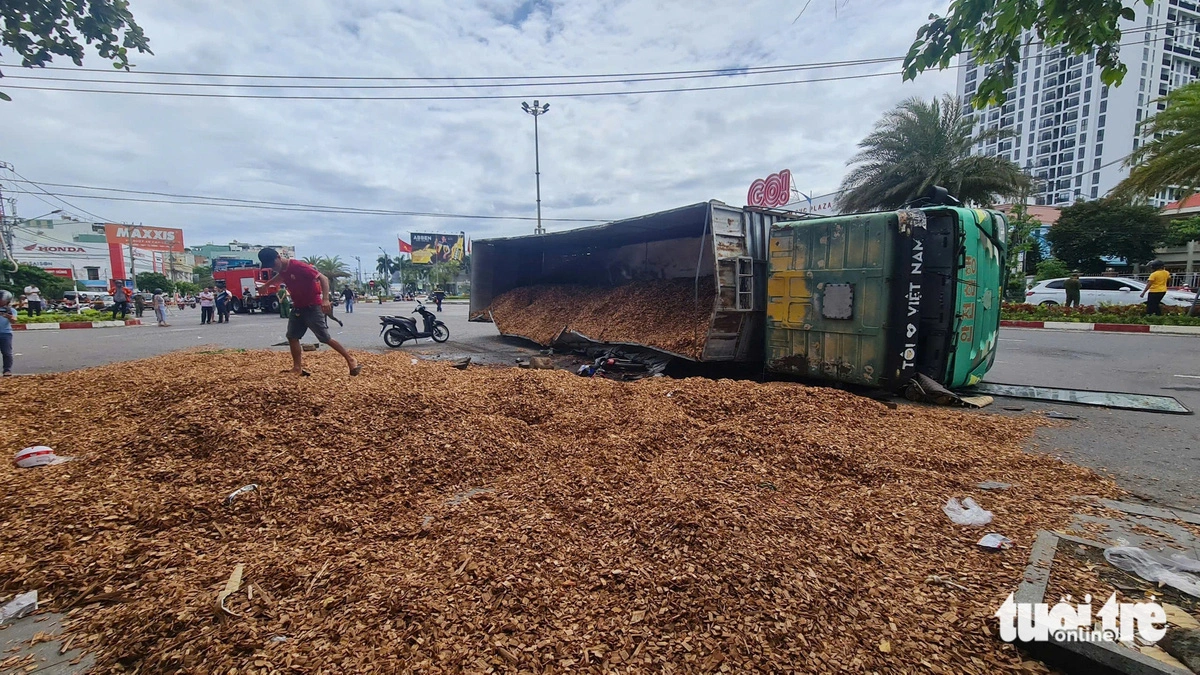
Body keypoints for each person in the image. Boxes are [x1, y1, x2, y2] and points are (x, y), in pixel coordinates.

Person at [258, 248, 361, 377]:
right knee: (292, 336)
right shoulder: (282, 270)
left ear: (279, 257)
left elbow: (323, 278)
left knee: (324, 338)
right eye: (270, 267)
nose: (273, 268)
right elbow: (280, 276)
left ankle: (350, 359)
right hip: (297, 307)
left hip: (312, 306)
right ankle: (297, 368)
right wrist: (266, 285)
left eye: (273, 265)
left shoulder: (298, 266)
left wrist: (325, 300)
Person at [0, 290, 16, 376]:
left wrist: (9, 317)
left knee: (6, 353)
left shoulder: (10, 310)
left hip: (5, 333)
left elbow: (14, 321)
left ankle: (7, 370)